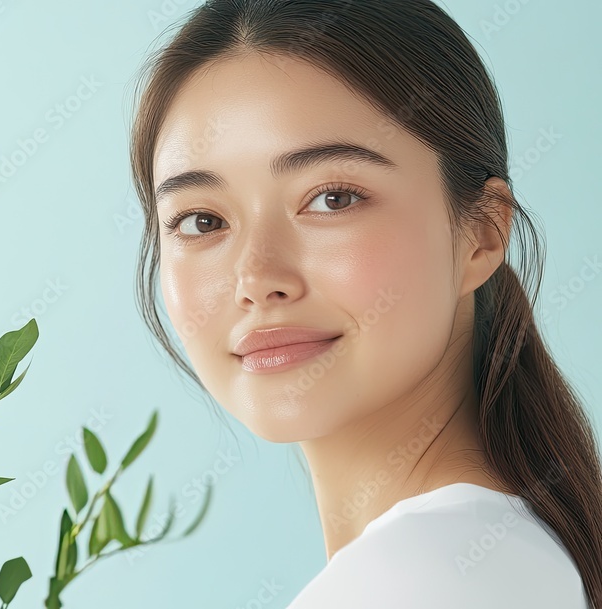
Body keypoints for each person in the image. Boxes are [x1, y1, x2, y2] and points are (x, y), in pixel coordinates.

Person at [127, 0, 601, 607]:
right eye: (202, 219)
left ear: (482, 231)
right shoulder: (508, 557)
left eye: (333, 199)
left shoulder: (419, 580)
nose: (256, 277)